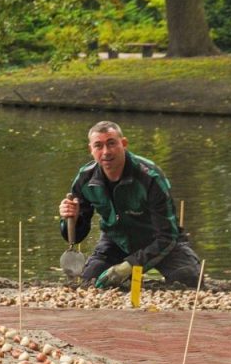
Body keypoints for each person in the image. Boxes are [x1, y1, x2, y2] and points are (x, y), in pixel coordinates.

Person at [58, 120, 201, 289]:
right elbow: (74, 237)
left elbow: (167, 236)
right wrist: (71, 220)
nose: (106, 152)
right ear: (91, 150)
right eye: (98, 146)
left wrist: (130, 266)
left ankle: (137, 277)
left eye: (111, 143)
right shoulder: (84, 178)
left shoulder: (151, 177)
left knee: (188, 279)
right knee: (90, 283)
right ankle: (129, 282)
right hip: (115, 241)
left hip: (158, 241)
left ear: (123, 144)